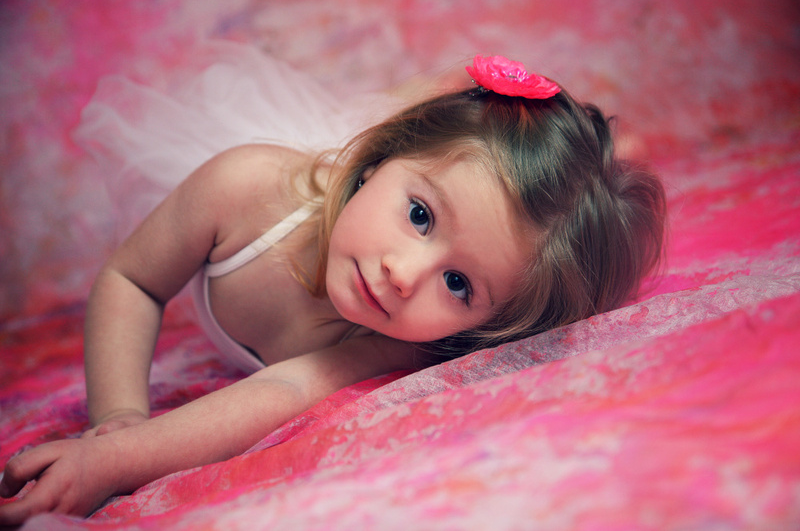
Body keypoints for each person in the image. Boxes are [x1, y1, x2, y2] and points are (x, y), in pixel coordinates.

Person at [0, 54, 666, 524]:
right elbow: (132, 279)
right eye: (420, 216)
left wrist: (118, 462)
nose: (404, 274)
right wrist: (119, 419)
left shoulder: (404, 342)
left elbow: (281, 391)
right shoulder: (241, 188)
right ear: (380, 160)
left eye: (459, 283)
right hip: (284, 200)